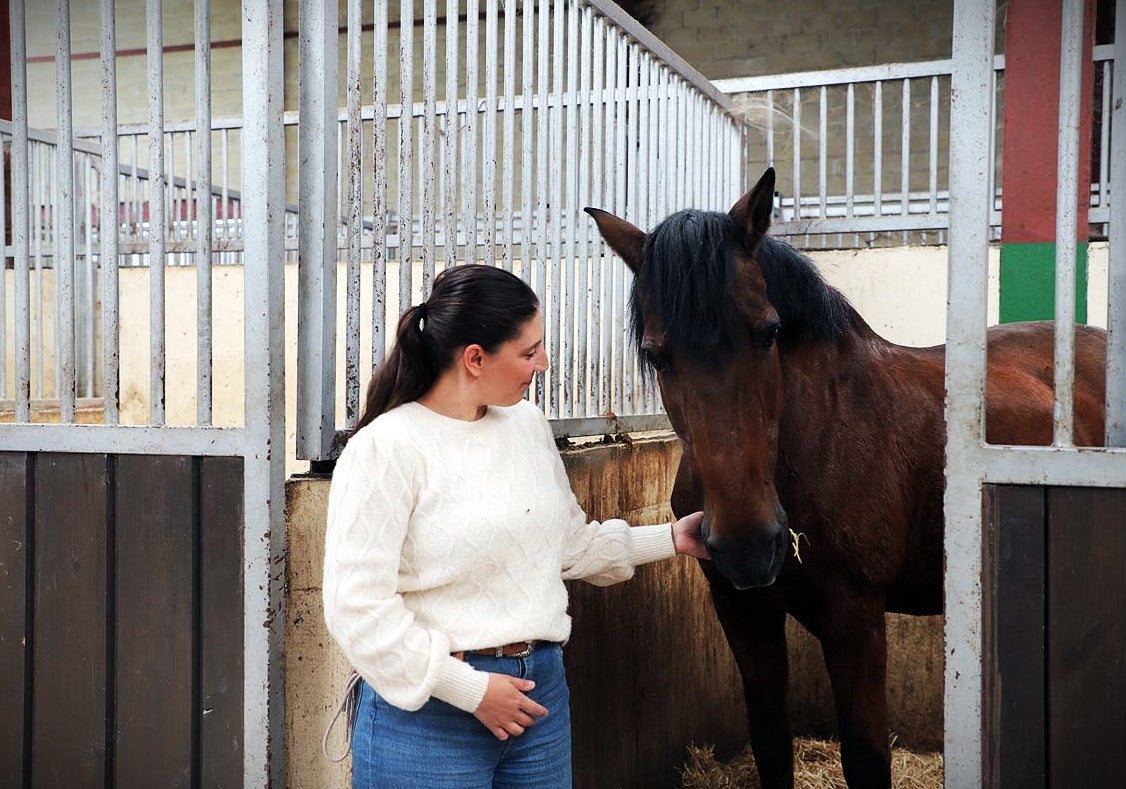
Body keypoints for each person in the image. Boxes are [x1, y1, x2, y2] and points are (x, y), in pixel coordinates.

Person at [322, 264, 706, 788]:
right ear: (474, 359)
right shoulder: (386, 448)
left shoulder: (525, 426)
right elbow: (357, 608)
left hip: (539, 695)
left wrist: (671, 538)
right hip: (431, 714)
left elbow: (567, 545)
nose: (543, 364)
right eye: (529, 352)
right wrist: (471, 690)